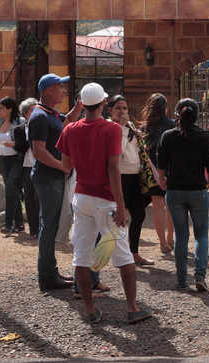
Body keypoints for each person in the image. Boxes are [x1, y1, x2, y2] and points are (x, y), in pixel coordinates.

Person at [56, 83, 153, 325]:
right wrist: (121, 205)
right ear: (103, 104)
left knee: (81, 254)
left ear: (81, 103)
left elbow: (66, 167)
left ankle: (89, 310)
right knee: (123, 255)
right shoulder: (111, 130)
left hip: (81, 198)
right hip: (106, 200)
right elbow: (113, 167)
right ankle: (132, 308)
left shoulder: (69, 130)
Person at [29, 74, 84, 290]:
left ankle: (50, 271)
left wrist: (79, 105)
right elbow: (39, 151)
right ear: (49, 90)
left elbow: (68, 120)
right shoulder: (40, 117)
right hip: (48, 178)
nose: (64, 90)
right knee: (48, 226)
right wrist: (62, 166)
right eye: (61, 87)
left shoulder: (49, 113)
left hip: (53, 177)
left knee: (50, 225)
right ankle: (47, 277)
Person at [156, 98, 209, 292]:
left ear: (176, 114)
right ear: (197, 115)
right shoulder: (204, 136)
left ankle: (182, 279)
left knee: (181, 235)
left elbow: (161, 164)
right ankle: (200, 275)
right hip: (198, 190)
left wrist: (162, 179)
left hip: (174, 190)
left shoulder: (168, 136)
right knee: (201, 234)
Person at [109, 95, 155, 266]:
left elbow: (135, 151)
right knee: (118, 217)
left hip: (135, 176)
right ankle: (117, 255)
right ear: (110, 111)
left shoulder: (130, 126)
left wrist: (137, 137)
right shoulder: (111, 127)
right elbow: (117, 152)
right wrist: (121, 128)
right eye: (118, 108)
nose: (122, 111)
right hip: (119, 176)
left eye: (125, 108)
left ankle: (133, 253)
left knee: (139, 214)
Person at [141, 93, 176, 254]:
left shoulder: (145, 127)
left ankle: (162, 243)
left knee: (157, 208)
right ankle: (170, 238)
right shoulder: (172, 125)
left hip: (152, 171)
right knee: (171, 207)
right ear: (165, 109)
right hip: (170, 170)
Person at [0, 97, 26, 234]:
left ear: (10, 110)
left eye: (1, 108)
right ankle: (20, 224)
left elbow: (27, 140)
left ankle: (7, 224)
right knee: (12, 192)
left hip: (17, 159)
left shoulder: (20, 122)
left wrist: (14, 144)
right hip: (5, 160)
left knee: (10, 190)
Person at [19, 98, 40, 238]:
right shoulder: (20, 129)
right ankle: (33, 230)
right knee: (29, 198)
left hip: (40, 165)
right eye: (32, 110)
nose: (35, 112)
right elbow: (19, 147)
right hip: (27, 167)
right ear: (26, 113)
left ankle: (42, 229)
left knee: (39, 198)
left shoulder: (42, 125)